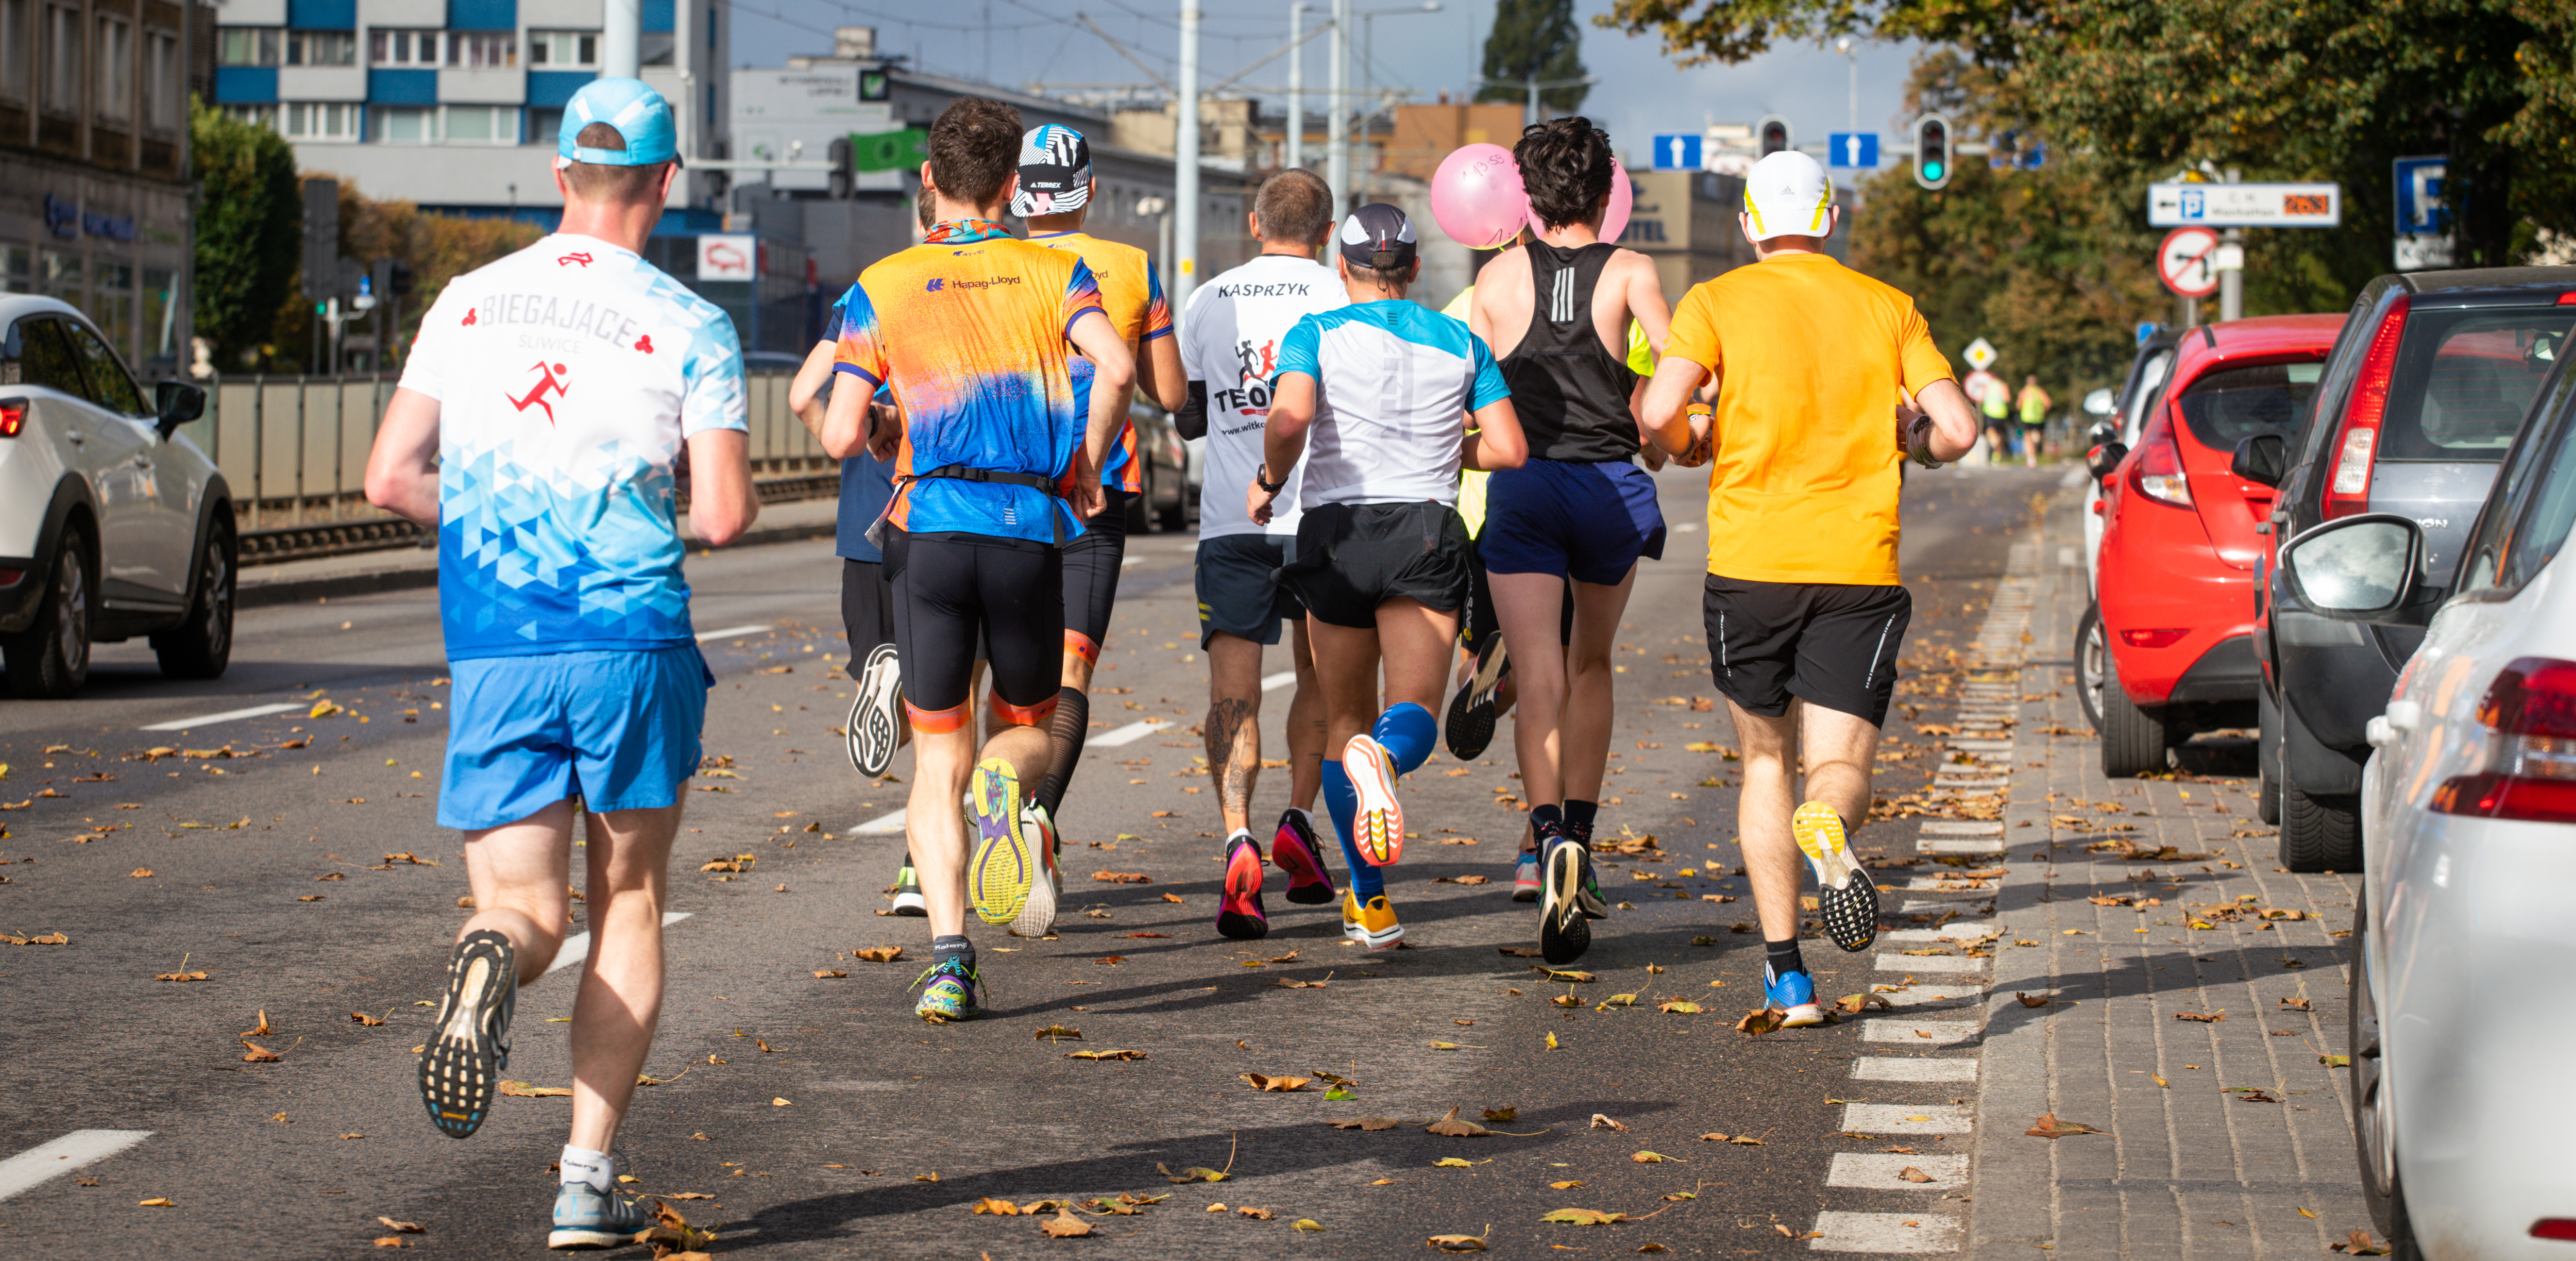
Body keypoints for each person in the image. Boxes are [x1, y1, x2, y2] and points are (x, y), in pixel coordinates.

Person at [360, 78, 758, 1247]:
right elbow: (727, 513)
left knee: (525, 905)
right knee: (628, 896)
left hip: (495, 639)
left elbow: (388, 476)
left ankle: (493, 953)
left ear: (558, 177)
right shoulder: (691, 322)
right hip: (630, 640)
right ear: (667, 185)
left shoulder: (467, 302)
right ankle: (586, 1181)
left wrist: (487, 517)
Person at [1635, 151, 1979, 1028]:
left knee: (1761, 761)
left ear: (1748, 225)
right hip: (1857, 567)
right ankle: (1829, 827)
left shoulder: (1716, 300)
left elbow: (1657, 412)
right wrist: (1913, 441)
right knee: (1839, 767)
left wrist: (1690, 440)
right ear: (1832, 220)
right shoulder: (1887, 306)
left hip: (1752, 564)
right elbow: (1959, 429)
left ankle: (1788, 978)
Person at [815, 96, 1136, 1022]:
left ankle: (950, 960)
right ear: (1010, 187)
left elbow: (842, 431)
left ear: (929, 181)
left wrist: (886, 423)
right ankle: (1010, 782)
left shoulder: (882, 281)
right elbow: (1114, 368)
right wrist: (1083, 461)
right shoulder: (1056, 269)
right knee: (1029, 723)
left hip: (929, 536)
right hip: (1027, 528)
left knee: (936, 762)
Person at [1249, 203, 1526, 949]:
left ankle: (1369, 901)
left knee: (1343, 720)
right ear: (1414, 270)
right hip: (1424, 531)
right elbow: (1508, 446)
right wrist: (1449, 453)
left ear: (1343, 271)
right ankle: (1388, 756)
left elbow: (1288, 420)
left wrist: (1270, 479)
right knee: (1412, 716)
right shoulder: (1463, 339)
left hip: (1337, 532)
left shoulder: (1315, 333)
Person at [1465, 118, 1674, 964]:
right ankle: (1582, 842)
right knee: (1589, 663)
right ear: (1604, 191)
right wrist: (1660, 436)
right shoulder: (1633, 270)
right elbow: (1674, 366)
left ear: (1529, 195)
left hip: (1525, 489)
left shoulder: (1495, 278)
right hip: (1609, 488)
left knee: (1538, 675)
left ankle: (1546, 834)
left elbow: (1473, 392)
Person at [1006, 122, 1187, 937]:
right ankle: (1039, 819)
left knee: (1000, 677)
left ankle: (979, 819)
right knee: (1071, 669)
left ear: (1018, 190)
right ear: (1089, 190)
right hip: (1094, 491)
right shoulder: (1131, 267)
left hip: (1004, 492)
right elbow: (1170, 390)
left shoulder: (990, 263)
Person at [1175, 167, 1347, 940]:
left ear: (1254, 225)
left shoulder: (1208, 298)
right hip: (1320, 516)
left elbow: (1185, 409)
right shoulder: (1343, 298)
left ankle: (1237, 836)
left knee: (1232, 693)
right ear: (1327, 228)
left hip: (1230, 521)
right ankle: (1299, 820)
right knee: (1324, 680)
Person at [789, 309, 924, 915]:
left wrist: (845, 435)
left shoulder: (863, 299)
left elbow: (800, 396)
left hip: (862, 531)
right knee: (945, 711)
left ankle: (887, 680)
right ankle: (920, 864)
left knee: (899, 670)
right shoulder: (986, 275)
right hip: (939, 516)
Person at [2016, 374, 2053, 467]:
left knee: (2028, 439)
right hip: (2039, 418)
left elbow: (2018, 406)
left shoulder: (2024, 392)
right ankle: (2036, 439)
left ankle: (2031, 459)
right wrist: (2044, 412)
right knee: (2036, 438)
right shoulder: (2040, 392)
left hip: (2027, 418)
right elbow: (2048, 403)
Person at [1981, 374, 2012, 465]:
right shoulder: (2003, 385)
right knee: (2000, 435)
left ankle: (1994, 441)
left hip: (1990, 412)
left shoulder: (1987, 386)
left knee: (1990, 431)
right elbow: (2007, 399)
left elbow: (1982, 399)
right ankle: (1996, 457)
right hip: (2001, 413)